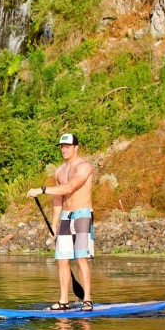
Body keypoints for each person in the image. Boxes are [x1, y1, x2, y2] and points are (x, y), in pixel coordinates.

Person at [27, 132, 94, 311]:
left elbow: (71, 187)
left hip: (82, 214)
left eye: (68, 147)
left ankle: (87, 299)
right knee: (62, 259)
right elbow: (58, 198)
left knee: (81, 257)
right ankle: (64, 300)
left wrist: (42, 189)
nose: (64, 150)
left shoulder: (84, 167)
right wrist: (55, 224)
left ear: (76, 147)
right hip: (65, 215)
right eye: (62, 147)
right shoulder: (59, 170)